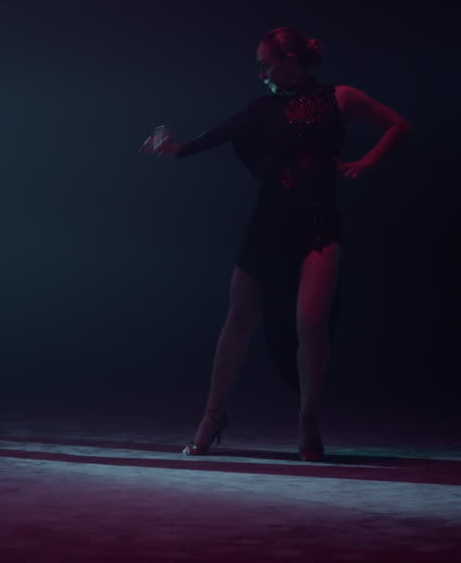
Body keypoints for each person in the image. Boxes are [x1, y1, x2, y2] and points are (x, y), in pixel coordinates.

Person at [140, 27, 409, 461]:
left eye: (266, 64)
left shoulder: (340, 98)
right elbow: (219, 134)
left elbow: (398, 124)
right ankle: (212, 417)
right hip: (269, 222)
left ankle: (308, 421)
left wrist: (366, 162)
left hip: (318, 223)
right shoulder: (262, 108)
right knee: (239, 319)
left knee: (311, 322)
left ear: (291, 61)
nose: (260, 73)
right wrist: (177, 150)